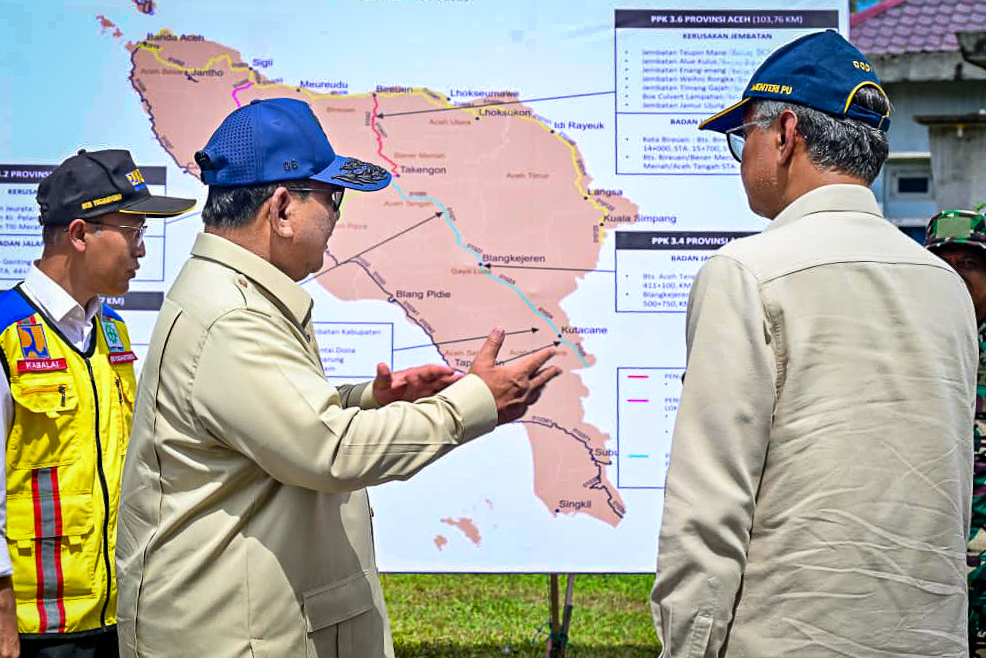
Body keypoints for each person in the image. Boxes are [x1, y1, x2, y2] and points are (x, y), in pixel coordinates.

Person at [114, 97, 561, 658]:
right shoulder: (231, 315)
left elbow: (269, 425)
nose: (336, 218)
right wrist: (476, 402)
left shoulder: (233, 295)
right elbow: (329, 451)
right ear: (281, 209)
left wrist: (367, 401)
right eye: (331, 198)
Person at [650, 30, 978, 658]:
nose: (741, 155)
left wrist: (686, 648)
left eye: (743, 135)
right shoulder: (945, 285)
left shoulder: (746, 274)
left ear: (785, 133)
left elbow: (709, 508)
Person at [0, 149, 192, 658]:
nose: (141, 251)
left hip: (115, 617)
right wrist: (1, 612)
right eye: (133, 232)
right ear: (80, 234)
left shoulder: (112, 331)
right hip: (33, 629)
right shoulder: (5, 333)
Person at [925, 209, 986, 657]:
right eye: (943, 264)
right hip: (930, 566)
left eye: (969, 263)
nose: (956, 275)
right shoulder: (909, 343)